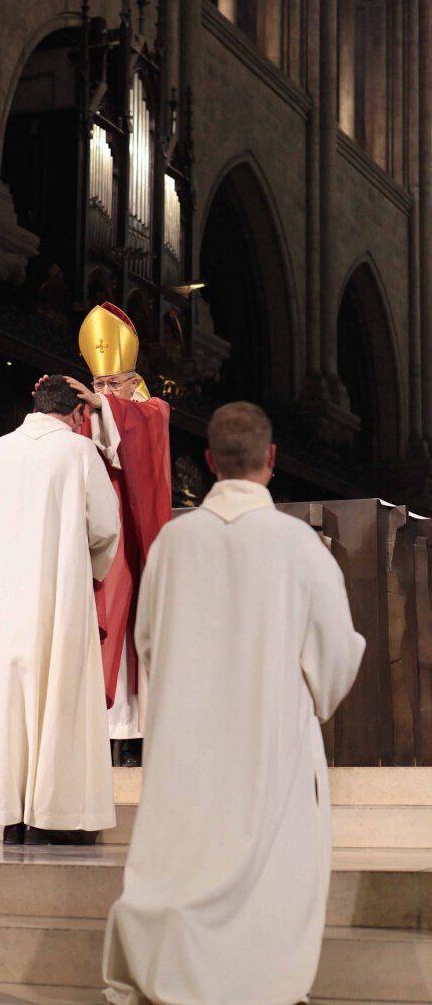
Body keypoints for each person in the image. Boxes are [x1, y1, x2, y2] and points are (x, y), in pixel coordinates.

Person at [102, 401, 366, 1005]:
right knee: (274, 864)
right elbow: (335, 656)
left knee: (182, 856)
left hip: (187, 749)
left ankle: (170, 970)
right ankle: (257, 980)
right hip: (268, 746)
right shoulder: (301, 547)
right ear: (272, 460)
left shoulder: (173, 544)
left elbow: (149, 643)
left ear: (210, 461)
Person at [0, 374, 121, 844]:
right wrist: (91, 571)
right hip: (58, 591)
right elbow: (104, 526)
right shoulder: (78, 452)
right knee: (60, 694)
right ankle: (57, 817)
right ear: (78, 414)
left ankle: (12, 814)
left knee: (12, 699)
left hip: (5, 600)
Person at [70, 302, 172, 766]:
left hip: (138, 543)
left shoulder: (152, 410)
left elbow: (134, 434)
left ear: (133, 381)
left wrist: (102, 407)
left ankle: (139, 740)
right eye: (97, 384)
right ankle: (104, 739)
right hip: (100, 547)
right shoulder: (92, 411)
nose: (103, 392)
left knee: (136, 637)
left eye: (113, 384)